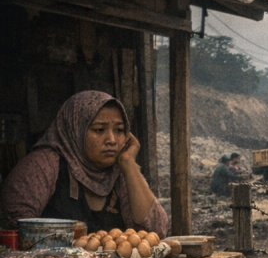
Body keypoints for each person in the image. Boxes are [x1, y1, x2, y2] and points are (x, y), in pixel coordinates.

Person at [0, 91, 168, 237]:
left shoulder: (119, 172)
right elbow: (15, 225)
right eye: (99, 130)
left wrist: (128, 163)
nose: (112, 140)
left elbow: (155, 231)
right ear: (76, 131)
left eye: (119, 130)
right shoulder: (44, 165)